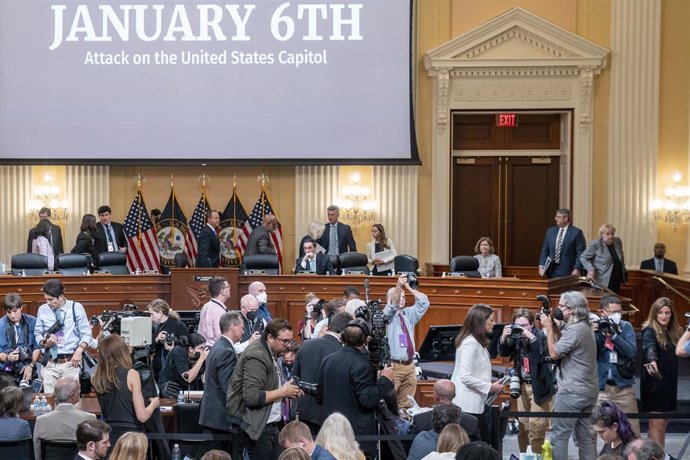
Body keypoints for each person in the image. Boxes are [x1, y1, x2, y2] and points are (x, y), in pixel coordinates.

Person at [316, 318, 395, 458]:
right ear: (365, 340)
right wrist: (385, 380)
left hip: (329, 431)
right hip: (354, 436)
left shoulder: (327, 360)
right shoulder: (362, 365)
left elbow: (319, 395)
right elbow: (367, 400)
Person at [226, 319, 303, 460]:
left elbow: (269, 385)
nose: (287, 346)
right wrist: (283, 392)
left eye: (290, 341)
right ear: (270, 337)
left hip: (267, 425)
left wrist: (289, 390)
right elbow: (251, 396)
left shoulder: (270, 351)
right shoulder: (257, 356)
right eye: (284, 341)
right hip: (257, 428)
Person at [541, 291, 598, 460]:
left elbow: (554, 353)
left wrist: (549, 328)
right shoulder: (584, 327)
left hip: (571, 392)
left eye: (560, 306)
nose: (557, 309)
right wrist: (556, 328)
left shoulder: (576, 330)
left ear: (571, 309)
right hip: (588, 391)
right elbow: (566, 344)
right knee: (584, 436)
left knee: (559, 436)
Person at [497, 307, 555, 453]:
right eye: (518, 326)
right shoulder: (515, 337)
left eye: (524, 326)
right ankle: (524, 456)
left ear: (531, 324)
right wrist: (504, 337)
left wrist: (531, 337)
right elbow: (503, 352)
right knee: (523, 427)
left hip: (539, 387)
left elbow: (543, 357)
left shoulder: (540, 336)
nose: (521, 329)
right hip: (522, 386)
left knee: (536, 427)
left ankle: (536, 457)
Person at [92, 334, 160, 446]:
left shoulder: (95, 378)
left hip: (109, 437)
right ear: (120, 352)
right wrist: (154, 403)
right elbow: (142, 416)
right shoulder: (131, 374)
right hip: (132, 438)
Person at [451, 304, 503, 443]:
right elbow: (465, 377)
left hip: (474, 404)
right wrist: (490, 387)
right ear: (481, 321)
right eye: (491, 320)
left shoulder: (476, 342)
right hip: (468, 405)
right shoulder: (470, 344)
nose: (494, 323)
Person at [292, 312, 352, 434]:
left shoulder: (305, 345)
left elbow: (295, 378)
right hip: (329, 416)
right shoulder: (341, 352)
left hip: (303, 412)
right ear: (345, 331)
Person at [34, 279, 94, 393]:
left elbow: (87, 334)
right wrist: (44, 342)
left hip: (70, 363)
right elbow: (37, 333)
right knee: (51, 402)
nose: (48, 302)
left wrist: (79, 350)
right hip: (50, 364)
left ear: (61, 296)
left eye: (51, 299)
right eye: (46, 299)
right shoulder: (42, 309)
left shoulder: (76, 308)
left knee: (71, 401)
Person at [198, 311, 244, 458]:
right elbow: (229, 388)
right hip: (219, 417)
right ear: (233, 327)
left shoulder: (219, 346)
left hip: (213, 415)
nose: (243, 331)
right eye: (242, 327)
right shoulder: (226, 351)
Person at [593, 296, 639, 436]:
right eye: (613, 312)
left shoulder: (626, 327)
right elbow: (591, 353)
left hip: (623, 389)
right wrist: (593, 332)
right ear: (602, 312)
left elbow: (631, 352)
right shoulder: (595, 328)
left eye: (619, 311)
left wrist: (614, 336)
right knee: (591, 433)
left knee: (633, 432)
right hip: (600, 390)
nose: (617, 315)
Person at [640, 297, 682, 447]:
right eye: (660, 313)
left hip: (669, 383)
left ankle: (659, 454)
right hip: (655, 384)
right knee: (656, 424)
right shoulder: (649, 330)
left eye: (667, 313)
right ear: (655, 314)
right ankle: (655, 456)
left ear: (672, 315)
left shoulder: (672, 332)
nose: (664, 316)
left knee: (663, 423)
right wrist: (652, 361)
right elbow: (649, 348)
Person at [383, 274, 430, 409]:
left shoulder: (408, 314)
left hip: (410, 366)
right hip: (394, 366)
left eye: (404, 297)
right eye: (399, 297)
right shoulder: (386, 316)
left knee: (406, 404)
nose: (401, 300)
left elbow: (424, 302)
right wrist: (398, 286)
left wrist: (408, 287)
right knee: (389, 403)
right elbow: (392, 306)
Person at [33, 376, 96, 459]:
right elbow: (93, 451)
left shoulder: (41, 421)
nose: (80, 392)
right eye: (79, 390)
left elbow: (37, 453)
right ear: (73, 395)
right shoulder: (89, 419)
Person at [410, 380, 480, 442]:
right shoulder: (472, 421)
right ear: (454, 395)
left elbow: (412, 445)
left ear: (435, 397)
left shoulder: (420, 420)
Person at [0, 293, 40, 386]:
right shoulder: (1, 325)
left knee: (30, 396)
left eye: (15, 311)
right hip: (6, 370)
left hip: (28, 366)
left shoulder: (32, 321)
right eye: (8, 312)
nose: (12, 315)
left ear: (21, 307)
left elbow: (37, 347)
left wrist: (30, 365)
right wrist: (8, 357)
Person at [538, 208, 586, 278]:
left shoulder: (576, 232)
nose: (556, 219)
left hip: (568, 270)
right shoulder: (550, 231)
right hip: (551, 269)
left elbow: (581, 252)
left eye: (558, 217)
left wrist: (577, 268)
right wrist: (541, 266)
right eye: (556, 217)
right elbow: (545, 249)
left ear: (566, 218)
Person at [157, 332, 209, 398]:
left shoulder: (201, 357)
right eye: (200, 348)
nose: (203, 351)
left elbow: (204, 380)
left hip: (187, 389)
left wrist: (207, 361)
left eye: (204, 348)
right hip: (171, 387)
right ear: (191, 349)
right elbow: (188, 378)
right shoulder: (178, 351)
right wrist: (201, 359)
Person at [148, 298, 188, 381]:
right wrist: (156, 339)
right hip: (158, 366)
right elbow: (150, 348)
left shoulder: (178, 325)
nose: (150, 317)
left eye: (152, 314)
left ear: (160, 313)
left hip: (172, 367)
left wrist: (173, 349)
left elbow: (187, 346)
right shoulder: (157, 326)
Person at [581, 223, 627, 293]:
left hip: (617, 279)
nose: (611, 236)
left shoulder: (617, 241)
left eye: (612, 233)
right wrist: (591, 269)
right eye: (607, 234)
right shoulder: (596, 244)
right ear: (602, 234)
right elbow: (583, 257)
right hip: (603, 281)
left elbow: (621, 258)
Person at [198, 277, 231, 346]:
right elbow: (220, 336)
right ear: (223, 291)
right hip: (215, 350)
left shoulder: (206, 306)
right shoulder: (218, 311)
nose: (230, 288)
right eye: (228, 286)